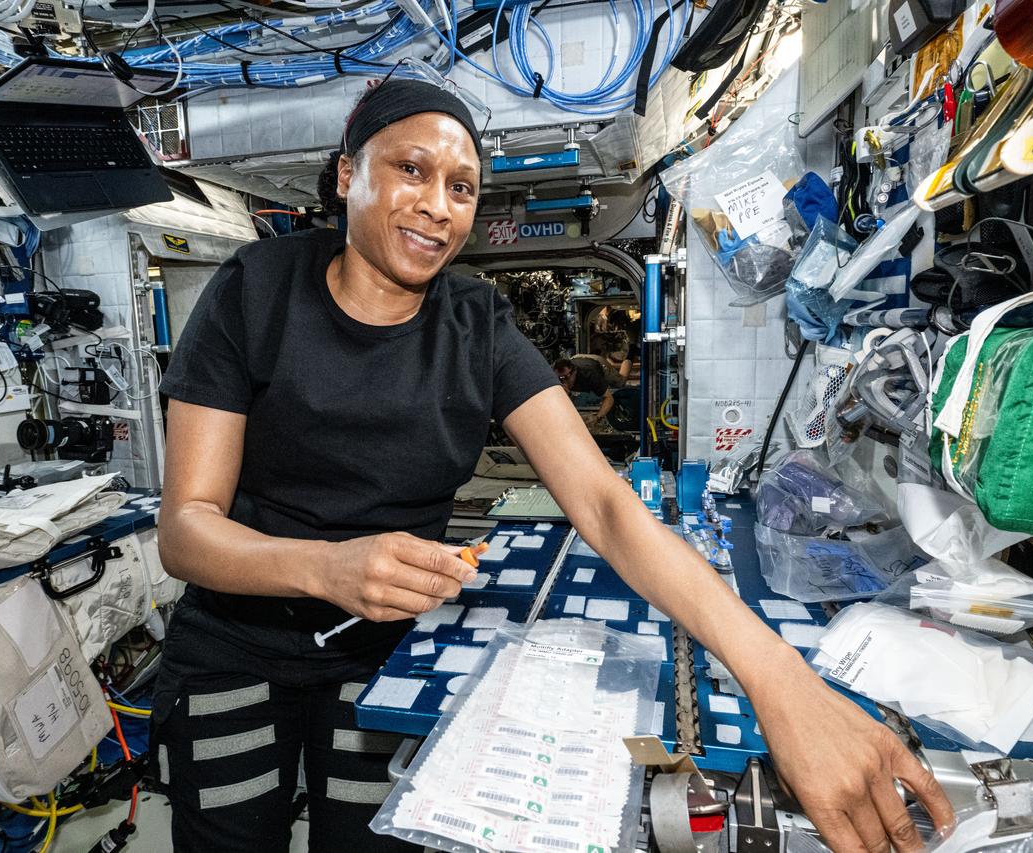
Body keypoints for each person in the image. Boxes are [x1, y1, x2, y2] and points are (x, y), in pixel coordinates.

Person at [154, 78, 953, 853]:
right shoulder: (256, 291)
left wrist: (781, 681)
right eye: (410, 169)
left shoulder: (476, 324)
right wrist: (327, 567)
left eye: (462, 186)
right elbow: (186, 532)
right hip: (236, 639)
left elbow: (606, 508)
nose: (438, 203)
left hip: (380, 651)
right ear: (346, 173)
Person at [553, 355, 636, 430]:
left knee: (620, 382)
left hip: (596, 363)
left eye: (566, 378)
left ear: (574, 372)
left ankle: (631, 354)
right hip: (576, 359)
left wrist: (597, 418)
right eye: (560, 379)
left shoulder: (590, 374)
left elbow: (609, 398)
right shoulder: (553, 375)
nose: (563, 382)